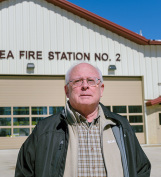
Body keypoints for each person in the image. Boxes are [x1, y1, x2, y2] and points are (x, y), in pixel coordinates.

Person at [15, 63, 151, 177]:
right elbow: (24, 172)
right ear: (67, 91)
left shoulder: (121, 126)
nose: (85, 85)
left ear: (101, 89)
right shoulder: (45, 130)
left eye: (91, 81)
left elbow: (141, 169)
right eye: (77, 81)